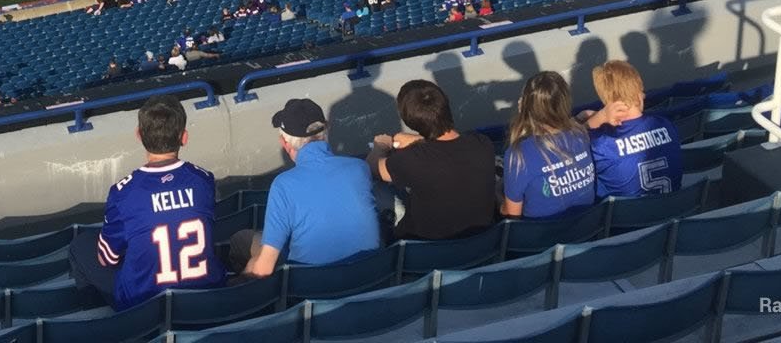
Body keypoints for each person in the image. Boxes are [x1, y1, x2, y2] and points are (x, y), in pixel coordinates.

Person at [70, 96, 223, 309]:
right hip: (203, 295)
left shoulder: (123, 192)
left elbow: (106, 259)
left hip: (144, 306)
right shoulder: (203, 180)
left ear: (139, 135)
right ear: (184, 137)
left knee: (80, 245)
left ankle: (100, 324)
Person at [239, 98, 380, 275]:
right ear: (327, 128)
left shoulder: (283, 185)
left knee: (243, 243)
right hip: (367, 278)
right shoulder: (359, 168)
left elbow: (265, 268)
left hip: (311, 288)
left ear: (285, 143)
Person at [368, 79, 497, 240]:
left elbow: (372, 167)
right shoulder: (483, 144)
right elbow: (446, 151)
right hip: (480, 244)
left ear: (409, 120)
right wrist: (418, 140)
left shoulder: (411, 160)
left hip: (422, 249)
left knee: (375, 188)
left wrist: (380, 146)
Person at [502, 72, 596, 218]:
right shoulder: (581, 134)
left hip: (542, 238)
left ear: (526, 107)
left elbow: (511, 216)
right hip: (585, 231)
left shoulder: (519, 155)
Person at [584, 61, 683, 199]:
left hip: (627, 217)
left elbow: (567, 145)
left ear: (607, 101)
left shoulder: (602, 144)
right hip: (673, 209)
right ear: (639, 91)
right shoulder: (666, 125)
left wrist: (592, 121)